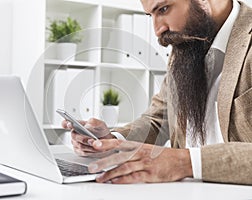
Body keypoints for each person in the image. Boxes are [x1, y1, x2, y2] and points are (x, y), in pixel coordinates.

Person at [62, 0, 252, 184]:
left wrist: (185, 162)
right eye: (150, 15)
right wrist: (112, 141)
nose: (157, 30)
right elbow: (159, 120)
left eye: (163, 9)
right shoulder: (187, 45)